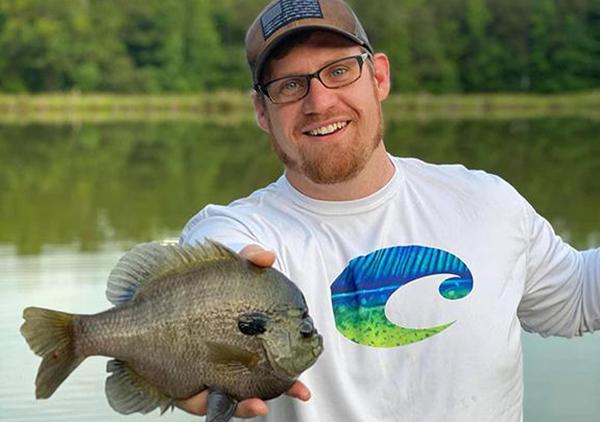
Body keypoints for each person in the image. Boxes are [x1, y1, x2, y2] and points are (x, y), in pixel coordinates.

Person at [178, 0, 600, 420]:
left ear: (378, 76)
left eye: (339, 71)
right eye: (289, 85)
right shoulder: (244, 230)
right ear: (261, 113)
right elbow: (210, 262)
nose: (320, 102)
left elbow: (579, 298)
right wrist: (197, 325)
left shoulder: (486, 202)